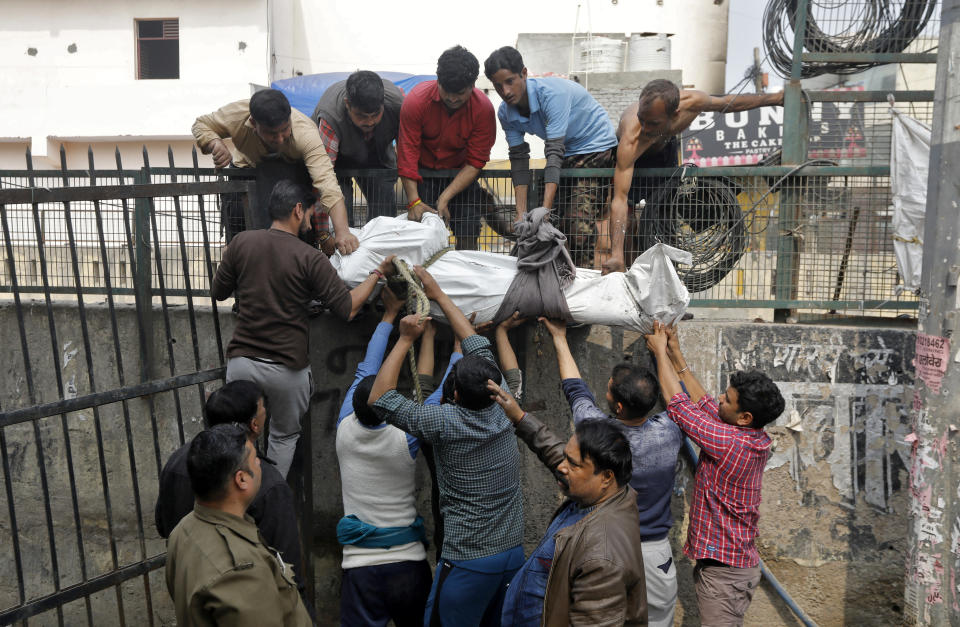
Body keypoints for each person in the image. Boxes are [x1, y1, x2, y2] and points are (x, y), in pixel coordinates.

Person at [368, 266, 524, 626]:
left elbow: (380, 398)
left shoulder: (443, 422)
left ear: (453, 395)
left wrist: (406, 337)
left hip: (468, 561)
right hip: (513, 556)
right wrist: (437, 294)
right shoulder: (508, 408)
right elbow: (477, 344)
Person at [211, 179, 395, 478]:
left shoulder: (242, 243)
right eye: (310, 213)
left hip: (242, 363)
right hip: (286, 368)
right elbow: (348, 308)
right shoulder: (309, 257)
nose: (312, 220)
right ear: (298, 210)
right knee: (282, 437)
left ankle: (232, 498)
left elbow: (218, 292)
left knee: (236, 436)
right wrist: (377, 273)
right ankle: (269, 502)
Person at [539, 317, 682, 627]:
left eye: (607, 391)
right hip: (655, 554)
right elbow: (677, 398)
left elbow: (574, 389)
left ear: (617, 407)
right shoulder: (671, 431)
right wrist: (664, 352)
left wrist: (560, 338)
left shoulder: (597, 431)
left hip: (609, 549)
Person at [645, 321, 785, 626]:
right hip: (727, 568)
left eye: (728, 399)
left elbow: (678, 406)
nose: (720, 398)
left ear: (745, 417)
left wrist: (659, 354)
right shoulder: (750, 436)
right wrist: (676, 355)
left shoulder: (730, 442)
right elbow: (705, 404)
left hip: (725, 574)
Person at [488, 383, 648, 626]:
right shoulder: (604, 492)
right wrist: (520, 418)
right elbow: (559, 454)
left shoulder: (602, 555)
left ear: (606, 477)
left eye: (572, 464)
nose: (562, 467)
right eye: (566, 458)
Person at [604, 79, 784, 274]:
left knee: (665, 217)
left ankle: (668, 275)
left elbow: (730, 103)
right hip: (637, 157)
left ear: (675, 114)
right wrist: (616, 255)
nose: (646, 127)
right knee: (630, 222)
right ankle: (628, 269)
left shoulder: (693, 102)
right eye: (642, 119)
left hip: (664, 150)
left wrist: (775, 98)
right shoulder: (633, 137)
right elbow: (619, 199)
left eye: (653, 123)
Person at [155, 380, 305, 603]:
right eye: (264, 408)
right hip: (246, 604)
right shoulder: (266, 482)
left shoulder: (179, 460)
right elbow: (288, 572)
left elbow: (163, 524)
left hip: (191, 593)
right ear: (254, 424)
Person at [334, 288, 432, 627]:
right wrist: (462, 348)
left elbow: (366, 369)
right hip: (409, 565)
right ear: (392, 406)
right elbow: (438, 398)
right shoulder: (407, 435)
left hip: (360, 570)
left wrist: (389, 317)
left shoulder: (344, 429)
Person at [165, 423, 312, 626]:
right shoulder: (241, 572)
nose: (260, 463)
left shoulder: (184, 529)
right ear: (241, 479)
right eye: (255, 459)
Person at [484, 46, 619, 267]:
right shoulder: (505, 113)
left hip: (595, 147)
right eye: (498, 86)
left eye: (510, 81)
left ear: (524, 74)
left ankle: (583, 278)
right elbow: (519, 160)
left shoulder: (552, 95)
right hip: (566, 151)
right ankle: (550, 281)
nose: (505, 91)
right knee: (533, 223)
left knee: (577, 225)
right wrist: (520, 214)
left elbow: (554, 153)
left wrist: (545, 211)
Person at [192, 88, 360, 254]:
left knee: (299, 242)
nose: (279, 138)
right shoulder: (236, 115)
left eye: (285, 130)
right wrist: (214, 142)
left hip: (292, 179)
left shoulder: (306, 134)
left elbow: (327, 184)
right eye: (272, 133)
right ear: (253, 123)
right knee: (239, 242)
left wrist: (342, 231)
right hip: (246, 173)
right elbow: (201, 124)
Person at [397, 45, 497, 251]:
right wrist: (414, 202)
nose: (452, 99)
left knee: (469, 228)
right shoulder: (416, 101)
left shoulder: (483, 110)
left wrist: (444, 198)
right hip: (423, 178)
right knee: (421, 234)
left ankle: (467, 273)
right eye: (446, 92)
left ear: (473, 85)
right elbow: (407, 154)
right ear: (438, 80)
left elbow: (475, 162)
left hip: (461, 178)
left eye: (459, 93)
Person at [314, 71, 404, 224]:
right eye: (361, 116)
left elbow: (407, 152)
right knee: (339, 207)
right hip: (337, 164)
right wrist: (324, 233)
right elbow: (323, 177)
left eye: (376, 115)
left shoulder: (397, 103)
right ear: (347, 104)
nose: (369, 122)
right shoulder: (331, 115)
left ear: (383, 104)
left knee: (384, 214)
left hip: (378, 157)